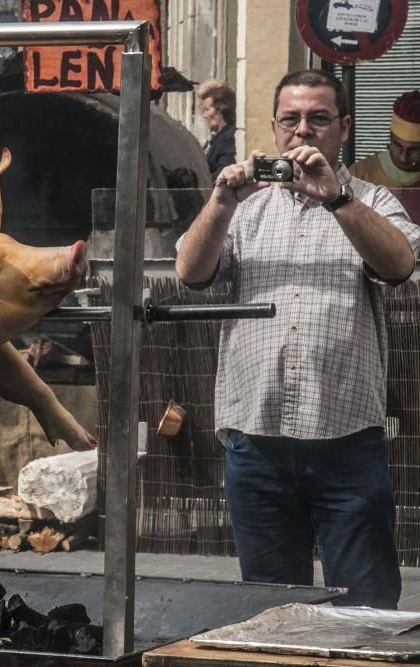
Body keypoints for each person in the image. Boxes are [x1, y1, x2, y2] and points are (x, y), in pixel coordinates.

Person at [176, 70, 420, 609]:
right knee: (269, 610)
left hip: (347, 443)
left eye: (318, 119)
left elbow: (400, 265)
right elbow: (191, 273)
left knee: (366, 611)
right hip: (256, 441)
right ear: (273, 128)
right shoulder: (246, 209)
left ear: (345, 129)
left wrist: (338, 200)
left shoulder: (372, 201)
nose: (303, 133)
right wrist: (220, 200)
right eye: (291, 120)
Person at [350, 90, 420, 223]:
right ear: (390, 138)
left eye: (414, 150)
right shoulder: (360, 173)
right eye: (397, 145)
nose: (403, 158)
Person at [196, 79, 237, 180]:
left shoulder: (227, 140)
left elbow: (222, 177)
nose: (204, 115)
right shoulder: (215, 138)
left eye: (207, 109)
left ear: (220, 109)